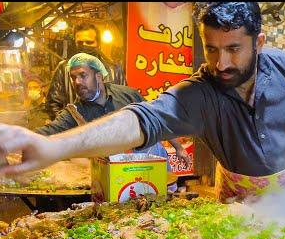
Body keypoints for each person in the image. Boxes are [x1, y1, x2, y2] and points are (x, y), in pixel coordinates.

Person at [0, 2, 285, 203]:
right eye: (212, 49)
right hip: (241, 204)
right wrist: (54, 147)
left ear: (259, 41)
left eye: (233, 49)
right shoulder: (200, 93)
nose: (221, 64)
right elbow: (141, 120)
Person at [35, 53, 190, 169]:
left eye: (83, 75)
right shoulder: (74, 113)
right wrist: (17, 139)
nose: (77, 82)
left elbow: (156, 119)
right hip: (118, 176)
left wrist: (178, 148)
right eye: (73, 77)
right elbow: (49, 130)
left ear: (99, 76)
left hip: (150, 165)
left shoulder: (127, 94)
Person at [44, 22, 126, 119]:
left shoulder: (114, 70)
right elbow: (52, 104)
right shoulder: (64, 68)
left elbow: (124, 101)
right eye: (80, 42)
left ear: (98, 44)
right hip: (77, 132)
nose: (84, 45)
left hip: (109, 131)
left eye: (89, 42)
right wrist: (69, 125)